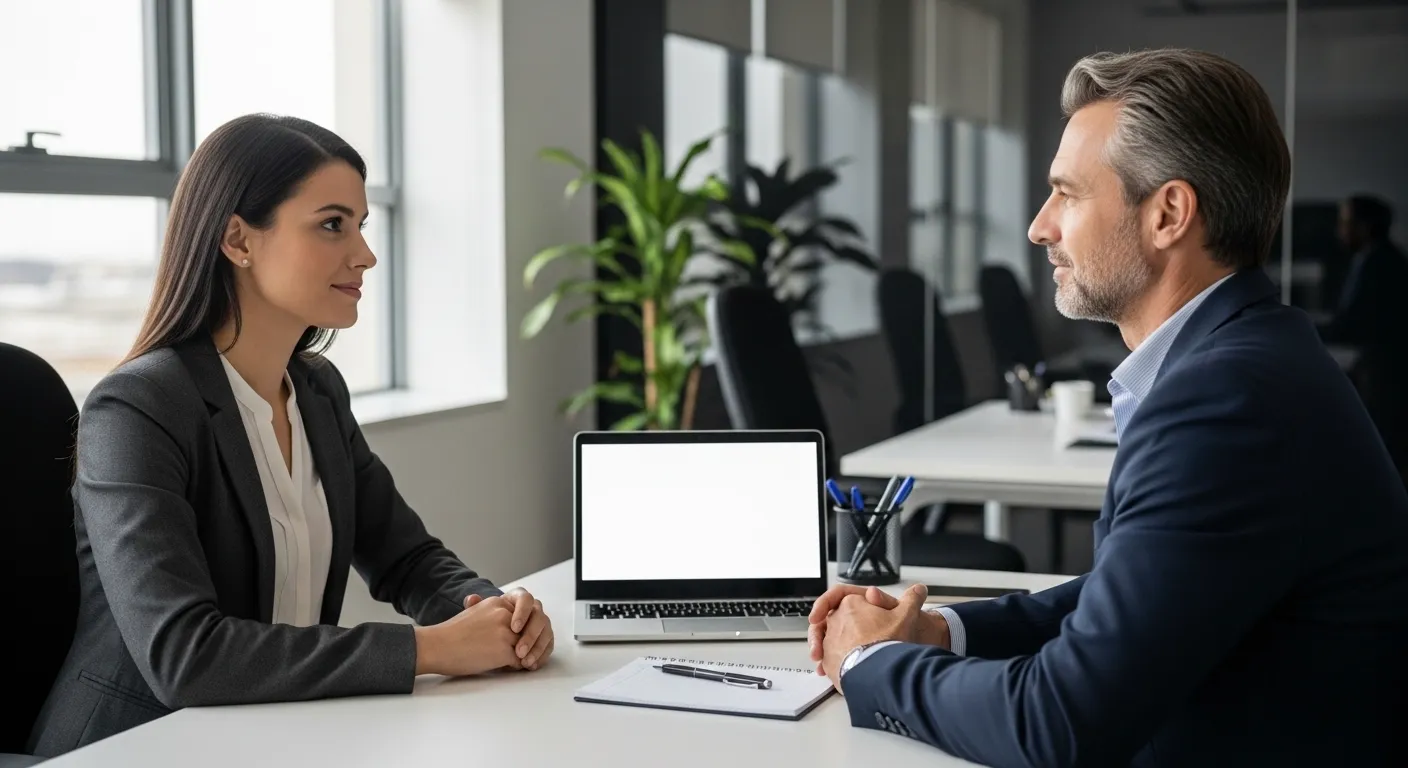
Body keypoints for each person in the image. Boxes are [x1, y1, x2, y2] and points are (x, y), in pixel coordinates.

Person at [807, 49, 1408, 767]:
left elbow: (1059, 724)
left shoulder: (1227, 400)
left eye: (1068, 193)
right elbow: (1135, 596)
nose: (1040, 226)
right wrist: (942, 632)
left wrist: (864, 667)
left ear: (1168, 215)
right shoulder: (1253, 355)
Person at [28, 114, 555, 757]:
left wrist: (497, 614)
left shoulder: (316, 390)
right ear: (237, 239)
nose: (364, 254)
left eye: (362, 225)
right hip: (141, 745)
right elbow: (185, 655)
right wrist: (432, 648)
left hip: (280, 733)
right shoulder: (137, 409)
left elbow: (407, 558)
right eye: (332, 224)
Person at [1320, 194, 1408, 348]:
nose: (1339, 231)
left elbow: (1363, 325)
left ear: (1364, 227)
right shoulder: (1361, 259)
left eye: (1345, 223)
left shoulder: (1386, 265)